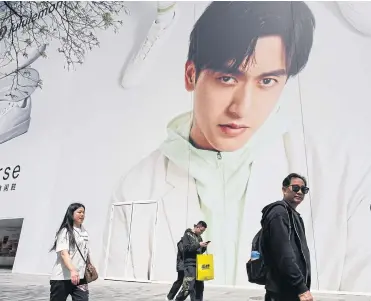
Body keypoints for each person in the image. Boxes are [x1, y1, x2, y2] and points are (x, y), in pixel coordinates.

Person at [107, 1, 316, 286]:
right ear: (191, 75)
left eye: (267, 81)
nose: (241, 108)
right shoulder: (137, 186)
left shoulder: (329, 170)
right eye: (228, 78)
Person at [261, 173, 312, 301]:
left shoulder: (294, 215)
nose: (300, 192)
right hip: (282, 291)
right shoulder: (278, 213)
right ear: (284, 190)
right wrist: (301, 288)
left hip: (291, 290)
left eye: (303, 189)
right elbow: (283, 253)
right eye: (295, 188)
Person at [50, 203, 91, 301]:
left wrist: (89, 264)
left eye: (83, 212)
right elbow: (64, 253)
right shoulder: (65, 231)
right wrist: (73, 270)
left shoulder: (84, 231)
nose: (82, 215)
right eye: (79, 212)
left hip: (80, 278)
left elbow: (85, 251)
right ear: (71, 214)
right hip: (62, 278)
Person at [175, 221, 208, 301]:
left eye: (203, 231)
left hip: (199, 264)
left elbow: (198, 250)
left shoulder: (199, 237)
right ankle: (178, 299)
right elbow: (186, 249)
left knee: (199, 287)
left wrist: (203, 247)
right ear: (197, 227)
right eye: (201, 230)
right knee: (188, 287)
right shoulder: (187, 235)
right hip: (190, 264)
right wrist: (198, 245)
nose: (202, 233)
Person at [166, 236, 185, 301]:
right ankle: (169, 297)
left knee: (188, 283)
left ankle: (177, 298)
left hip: (187, 266)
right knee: (179, 281)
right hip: (182, 266)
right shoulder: (181, 243)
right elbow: (183, 252)